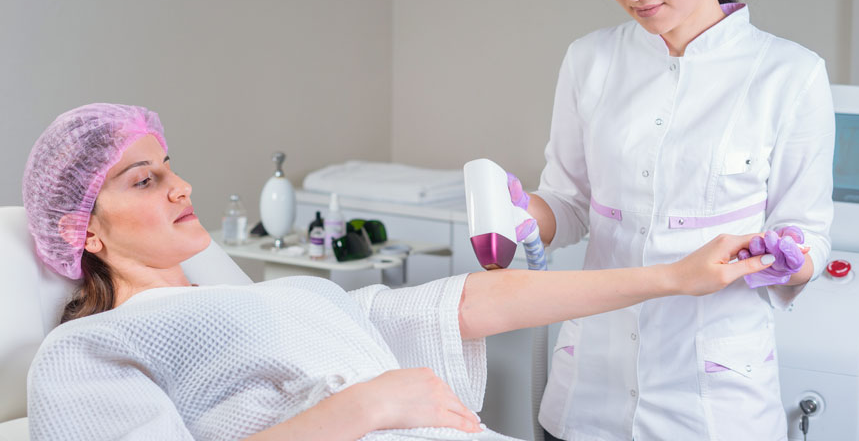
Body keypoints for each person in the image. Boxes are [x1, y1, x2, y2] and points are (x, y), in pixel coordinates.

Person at [20, 103, 775, 441]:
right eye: (144, 181)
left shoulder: (288, 297)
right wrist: (367, 408)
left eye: (171, 168)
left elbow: (476, 302)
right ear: (80, 227)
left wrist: (673, 277)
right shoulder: (86, 351)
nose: (180, 186)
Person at [507, 0, 835, 441]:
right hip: (588, 400)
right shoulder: (590, 60)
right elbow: (570, 203)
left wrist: (792, 255)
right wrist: (521, 215)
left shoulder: (791, 75)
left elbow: (807, 230)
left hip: (714, 407)